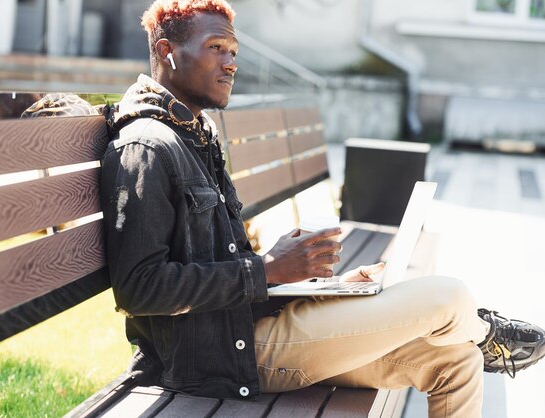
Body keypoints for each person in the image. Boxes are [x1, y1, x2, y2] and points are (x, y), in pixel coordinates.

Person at [99, 1, 545, 417]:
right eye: (217, 48)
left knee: (457, 359)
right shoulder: (147, 147)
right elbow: (140, 289)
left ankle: (476, 339)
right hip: (223, 357)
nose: (232, 63)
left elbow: (222, 265)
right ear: (167, 51)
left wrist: (321, 288)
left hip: (255, 325)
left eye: (233, 50)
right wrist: (268, 270)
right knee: (450, 298)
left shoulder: (195, 134)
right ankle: (488, 335)